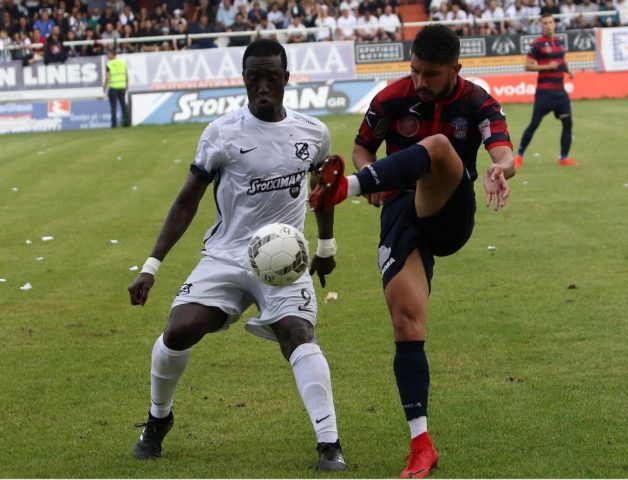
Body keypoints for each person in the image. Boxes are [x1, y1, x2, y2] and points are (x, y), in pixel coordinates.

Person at [127, 38, 347, 472]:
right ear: (243, 80)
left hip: (286, 262)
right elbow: (186, 201)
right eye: (254, 78)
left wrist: (325, 247)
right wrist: (152, 266)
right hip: (226, 255)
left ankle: (329, 444)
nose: (263, 87)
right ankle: (158, 419)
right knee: (179, 330)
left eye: (271, 77)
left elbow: (323, 192)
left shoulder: (313, 133)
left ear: (286, 79)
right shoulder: (222, 133)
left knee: (298, 334)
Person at [310, 24, 514, 479]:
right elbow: (362, 147)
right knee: (405, 321)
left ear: (455, 68)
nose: (420, 81)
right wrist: (372, 176)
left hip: (449, 207)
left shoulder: (477, 101)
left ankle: (343, 190)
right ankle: (422, 445)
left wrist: (500, 170)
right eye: (415, 71)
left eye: (431, 74)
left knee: (438, 147)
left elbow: (504, 152)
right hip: (401, 210)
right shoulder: (391, 98)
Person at [515, 13, 576, 168]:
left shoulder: (560, 42)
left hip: (560, 93)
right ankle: (519, 156)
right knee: (534, 124)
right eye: (545, 23)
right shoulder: (536, 44)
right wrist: (547, 66)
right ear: (541, 25)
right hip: (545, 93)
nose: (549, 25)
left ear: (554, 24)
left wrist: (568, 70)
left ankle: (563, 158)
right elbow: (527, 66)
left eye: (550, 22)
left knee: (568, 124)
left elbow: (561, 61)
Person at [103, 49, 131, 128]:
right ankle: (127, 122)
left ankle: (114, 124)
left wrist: (104, 86)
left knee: (113, 106)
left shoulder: (109, 64)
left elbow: (107, 77)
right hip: (122, 87)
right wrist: (127, 84)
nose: (107, 56)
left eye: (108, 54)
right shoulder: (122, 63)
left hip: (113, 88)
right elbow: (126, 74)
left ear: (112, 54)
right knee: (123, 105)